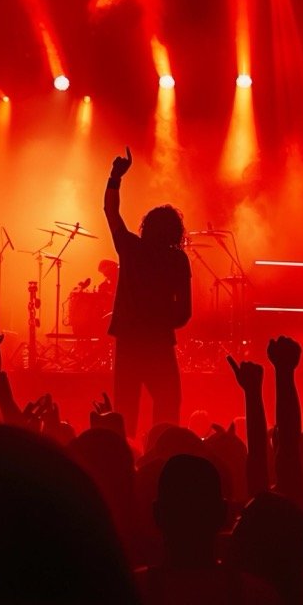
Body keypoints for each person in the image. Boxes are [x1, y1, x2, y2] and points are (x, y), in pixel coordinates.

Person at [103, 147, 192, 435]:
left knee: (124, 408)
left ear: (146, 227)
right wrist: (163, 322)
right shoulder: (177, 259)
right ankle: (163, 456)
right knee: (168, 406)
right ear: (175, 232)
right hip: (158, 341)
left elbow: (111, 211)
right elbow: (185, 311)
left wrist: (115, 177)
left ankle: (123, 463)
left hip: (129, 339)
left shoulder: (131, 248)